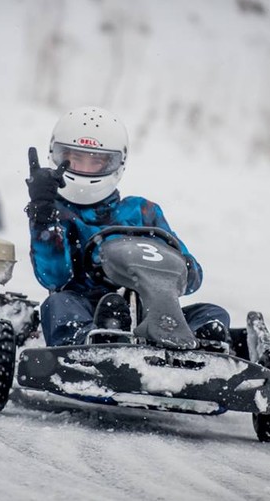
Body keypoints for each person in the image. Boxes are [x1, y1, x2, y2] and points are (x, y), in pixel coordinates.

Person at [25, 106, 231, 351]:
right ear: (56, 156)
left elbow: (193, 275)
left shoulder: (142, 211)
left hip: (152, 309)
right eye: (75, 159)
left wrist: (182, 270)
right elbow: (54, 277)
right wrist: (43, 214)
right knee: (57, 304)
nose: (86, 168)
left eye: (96, 161)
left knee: (213, 313)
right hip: (83, 308)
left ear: (116, 163)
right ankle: (92, 341)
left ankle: (204, 348)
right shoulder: (55, 213)